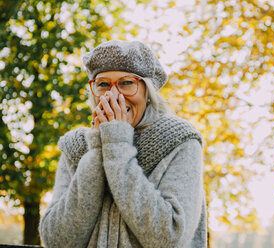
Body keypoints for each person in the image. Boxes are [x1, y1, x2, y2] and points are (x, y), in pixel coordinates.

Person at [39, 40, 207, 248]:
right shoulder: (76, 146)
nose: (114, 95)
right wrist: (97, 150)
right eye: (103, 84)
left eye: (127, 82)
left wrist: (116, 143)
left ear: (147, 90)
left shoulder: (180, 140)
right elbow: (57, 242)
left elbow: (169, 238)